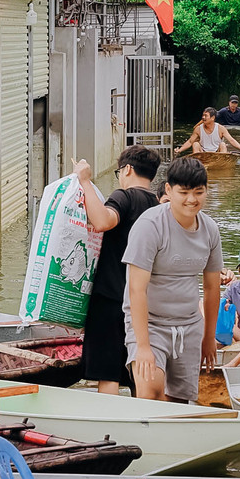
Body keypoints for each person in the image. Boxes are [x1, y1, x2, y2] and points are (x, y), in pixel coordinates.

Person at [123, 157, 223, 403]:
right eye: (184, 192)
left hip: (189, 324)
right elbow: (136, 290)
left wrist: (209, 337)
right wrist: (143, 346)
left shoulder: (210, 229)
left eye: (199, 192)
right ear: (168, 190)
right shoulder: (150, 226)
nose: (192, 200)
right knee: (150, 392)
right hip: (151, 324)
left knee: (180, 400)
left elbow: (212, 288)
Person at [75, 146, 161, 394]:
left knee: (108, 371)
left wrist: (85, 180)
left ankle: (108, 427)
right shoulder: (159, 206)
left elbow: (102, 221)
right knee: (141, 371)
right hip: (146, 302)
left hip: (112, 298)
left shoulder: (125, 197)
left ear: (127, 169)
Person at [176, 107, 240, 155]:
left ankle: (222, 164)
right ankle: (198, 165)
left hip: (217, 154)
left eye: (206, 116)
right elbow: (190, 142)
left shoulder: (220, 128)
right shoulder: (198, 129)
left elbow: (231, 140)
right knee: (195, 144)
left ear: (213, 118)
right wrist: (179, 150)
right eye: (203, 115)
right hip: (203, 154)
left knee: (223, 144)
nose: (203, 118)